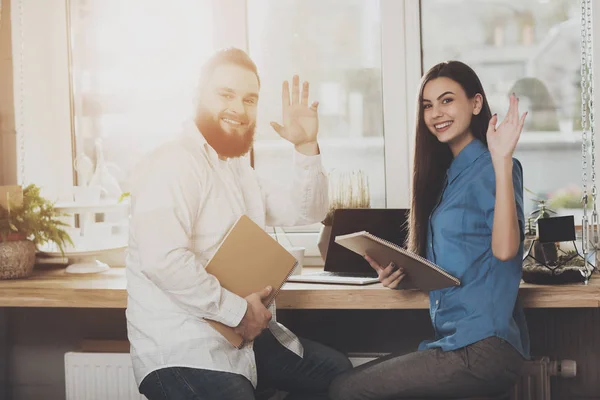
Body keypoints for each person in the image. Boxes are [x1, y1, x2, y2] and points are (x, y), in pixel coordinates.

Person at [126, 48, 352, 400]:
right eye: (225, 95)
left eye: (249, 99)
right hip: (183, 349)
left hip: (243, 341)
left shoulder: (237, 170)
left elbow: (306, 210)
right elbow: (163, 261)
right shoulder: (172, 163)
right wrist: (237, 312)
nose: (239, 109)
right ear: (197, 96)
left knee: (338, 376)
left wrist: (306, 146)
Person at [329, 60, 530, 399]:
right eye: (427, 105)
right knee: (343, 378)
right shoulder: (448, 178)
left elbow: (506, 250)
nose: (436, 112)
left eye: (447, 100)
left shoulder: (493, 167)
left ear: (476, 104)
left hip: (482, 348)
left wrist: (502, 160)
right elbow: (460, 266)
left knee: (345, 391)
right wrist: (404, 275)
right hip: (456, 343)